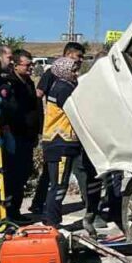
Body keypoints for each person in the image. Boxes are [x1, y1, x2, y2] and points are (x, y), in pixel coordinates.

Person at [39, 56, 98, 231]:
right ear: (64, 71)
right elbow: (76, 112)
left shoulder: (61, 85)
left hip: (62, 143)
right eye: (73, 70)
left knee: (57, 184)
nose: (76, 73)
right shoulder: (64, 88)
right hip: (60, 143)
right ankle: (52, 221)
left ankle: (50, 218)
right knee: (58, 185)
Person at [30, 42, 87, 214]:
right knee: (56, 179)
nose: (80, 62)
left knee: (78, 172)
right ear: (69, 55)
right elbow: (39, 95)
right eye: (78, 57)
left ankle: (89, 205)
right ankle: (47, 212)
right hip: (59, 137)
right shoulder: (57, 80)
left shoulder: (69, 82)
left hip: (68, 138)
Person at [0, 49, 41, 221]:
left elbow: (34, 109)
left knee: (23, 173)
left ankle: (15, 211)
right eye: (27, 65)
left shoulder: (28, 82)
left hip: (27, 136)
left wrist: (37, 130)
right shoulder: (8, 83)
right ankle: (8, 213)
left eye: (32, 64)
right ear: (16, 65)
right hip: (14, 135)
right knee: (12, 175)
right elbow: (10, 108)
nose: (30, 68)